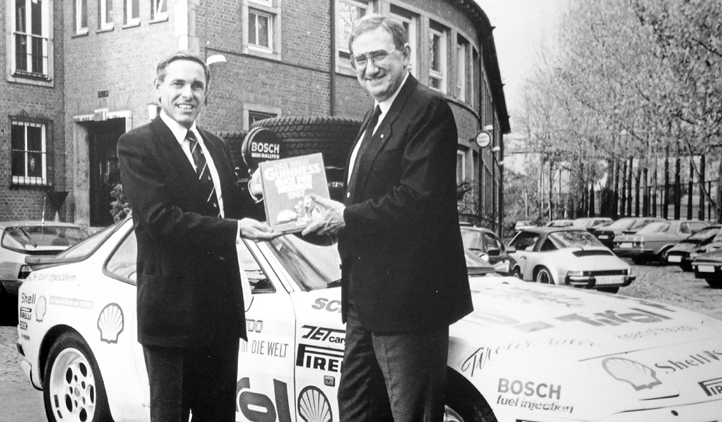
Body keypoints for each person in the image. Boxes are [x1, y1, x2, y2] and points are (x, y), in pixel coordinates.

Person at [302, 14, 473, 422]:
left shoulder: (428, 109)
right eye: (359, 59)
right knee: (357, 409)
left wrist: (344, 217)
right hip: (365, 300)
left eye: (379, 55)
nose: (369, 68)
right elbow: (360, 197)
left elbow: (419, 199)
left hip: (409, 303)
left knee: (409, 414)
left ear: (406, 55)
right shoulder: (374, 115)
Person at [117, 50, 279, 422]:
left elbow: (230, 207)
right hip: (172, 316)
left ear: (206, 94)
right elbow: (160, 220)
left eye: (197, 85)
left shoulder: (216, 145)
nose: (187, 93)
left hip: (221, 312)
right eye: (177, 84)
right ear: (159, 89)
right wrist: (235, 228)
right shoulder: (137, 144)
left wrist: (256, 190)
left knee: (218, 416)